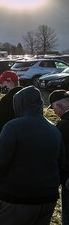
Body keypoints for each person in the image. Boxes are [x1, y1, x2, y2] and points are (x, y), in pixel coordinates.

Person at [0, 86, 66, 225]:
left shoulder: (12, 127)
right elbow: (61, 165)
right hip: (46, 200)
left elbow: (0, 163)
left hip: (15, 199)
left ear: (18, 104)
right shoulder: (54, 129)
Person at [48, 90, 69, 225]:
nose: (54, 112)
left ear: (60, 106)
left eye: (54, 108)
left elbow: (59, 154)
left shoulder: (63, 125)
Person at [0, 71, 23, 151]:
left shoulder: (7, 100)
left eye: (2, 83)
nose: (0, 86)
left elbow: (1, 122)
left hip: (8, 138)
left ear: (10, 82)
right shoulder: (26, 96)